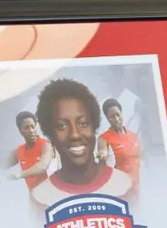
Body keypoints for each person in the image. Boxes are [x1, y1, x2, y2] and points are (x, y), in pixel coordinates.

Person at [29, 79, 131, 207]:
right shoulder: (41, 199)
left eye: (83, 123)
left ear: (94, 126)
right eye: (62, 126)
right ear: (50, 134)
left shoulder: (124, 185)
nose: (75, 134)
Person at [98, 97, 142, 198]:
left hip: (138, 193)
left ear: (122, 114)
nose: (116, 119)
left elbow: (141, 161)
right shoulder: (104, 139)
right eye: (112, 117)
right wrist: (102, 155)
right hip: (120, 195)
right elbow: (102, 154)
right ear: (107, 119)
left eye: (118, 114)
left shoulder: (133, 136)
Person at [6, 111, 54, 195]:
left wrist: (19, 175)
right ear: (20, 131)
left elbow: (43, 166)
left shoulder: (46, 145)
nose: (31, 131)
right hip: (34, 198)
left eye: (33, 126)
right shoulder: (18, 151)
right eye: (26, 127)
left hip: (52, 197)